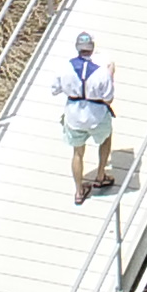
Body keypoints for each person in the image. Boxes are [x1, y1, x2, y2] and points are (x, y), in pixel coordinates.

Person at [53, 29, 116, 202]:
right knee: (106, 139)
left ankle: (79, 191)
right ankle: (101, 175)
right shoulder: (102, 71)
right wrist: (111, 76)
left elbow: (54, 89)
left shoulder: (65, 67)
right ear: (92, 48)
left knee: (77, 153)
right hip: (97, 115)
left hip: (73, 115)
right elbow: (109, 99)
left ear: (77, 48)